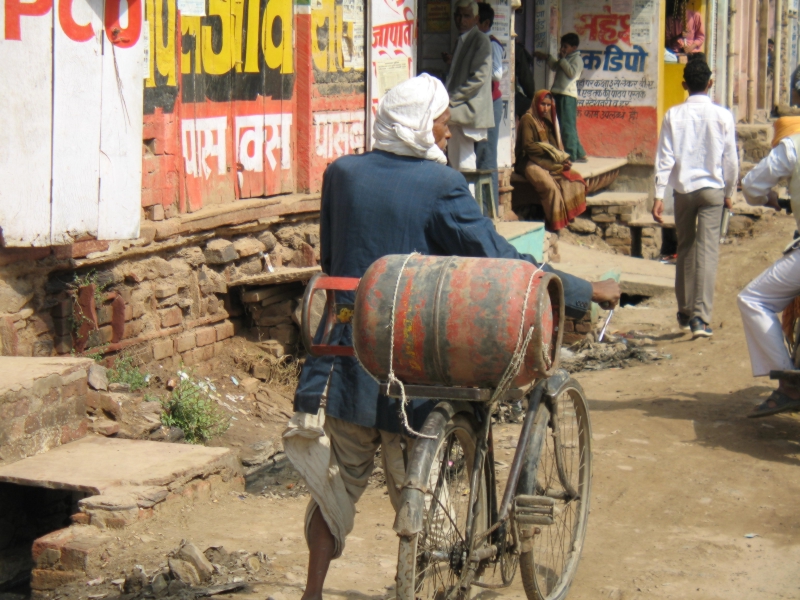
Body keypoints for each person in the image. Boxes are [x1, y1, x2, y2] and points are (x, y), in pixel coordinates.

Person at [285, 74, 621, 600]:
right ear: (420, 125)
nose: (447, 134)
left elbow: (333, 260)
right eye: (443, 123)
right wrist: (580, 291)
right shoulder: (440, 186)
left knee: (336, 489)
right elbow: (500, 261)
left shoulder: (341, 174)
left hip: (345, 359)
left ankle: (312, 594)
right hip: (412, 362)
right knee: (426, 494)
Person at [653, 56, 738, 339]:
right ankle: (701, 320)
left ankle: (685, 311)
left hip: (683, 191)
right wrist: (730, 192)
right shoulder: (724, 115)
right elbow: (731, 160)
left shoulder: (673, 115)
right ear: (710, 84)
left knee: (686, 247)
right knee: (707, 251)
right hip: (713, 191)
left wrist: (658, 194)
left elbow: (664, 158)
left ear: (684, 84)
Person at [737, 116, 800, 417]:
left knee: (752, 298)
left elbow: (751, 186)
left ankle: (790, 385)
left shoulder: (792, 145)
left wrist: (769, 197)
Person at [515, 90, 587, 231]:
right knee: (549, 187)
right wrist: (549, 153)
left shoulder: (547, 121)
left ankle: (567, 218)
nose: (546, 108)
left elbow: (553, 146)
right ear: (536, 103)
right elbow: (528, 147)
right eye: (543, 104)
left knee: (572, 177)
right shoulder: (527, 119)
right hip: (527, 161)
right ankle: (554, 224)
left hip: (544, 160)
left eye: (548, 105)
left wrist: (561, 160)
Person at [444, 0, 494, 171]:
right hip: (460, 106)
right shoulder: (463, 40)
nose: (461, 20)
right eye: (458, 15)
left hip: (468, 108)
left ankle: (467, 195)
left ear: (476, 18)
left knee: (462, 159)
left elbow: (478, 78)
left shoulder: (480, 40)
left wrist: (451, 100)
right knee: (457, 157)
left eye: (466, 16)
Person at [534, 33, 587, 163]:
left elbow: (571, 73)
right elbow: (555, 66)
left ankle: (570, 155)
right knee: (563, 125)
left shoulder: (576, 59)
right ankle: (580, 153)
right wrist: (548, 58)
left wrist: (562, 59)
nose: (562, 49)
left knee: (567, 126)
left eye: (565, 46)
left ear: (574, 47)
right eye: (562, 46)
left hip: (567, 95)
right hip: (559, 93)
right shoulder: (567, 57)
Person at [474, 2, 506, 209]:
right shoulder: (472, 41)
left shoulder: (491, 43)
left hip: (490, 103)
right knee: (478, 156)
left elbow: (496, 74)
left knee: (487, 158)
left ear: (485, 23)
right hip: (478, 105)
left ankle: (489, 210)